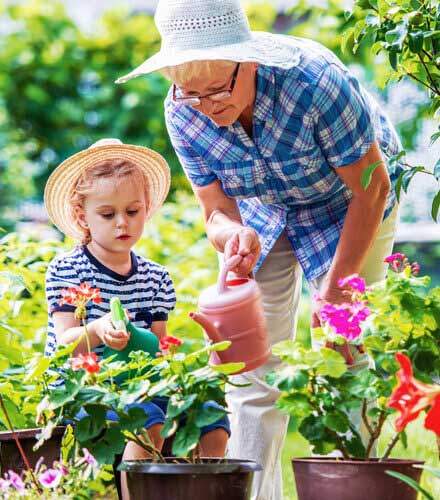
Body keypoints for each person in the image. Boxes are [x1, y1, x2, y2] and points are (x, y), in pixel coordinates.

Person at [116, 1, 403, 498]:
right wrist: (232, 236)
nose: (207, 106)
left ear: (247, 61)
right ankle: (255, 494)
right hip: (266, 208)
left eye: (217, 89)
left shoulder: (315, 84)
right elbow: (215, 212)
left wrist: (335, 292)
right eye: (191, 93)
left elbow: (370, 189)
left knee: (344, 348)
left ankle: (351, 485)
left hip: (351, 202)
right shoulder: (182, 112)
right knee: (246, 363)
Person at [43, 138, 230, 498]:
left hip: (141, 384)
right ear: (83, 216)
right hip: (85, 389)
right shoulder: (68, 269)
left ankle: (198, 490)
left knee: (211, 416)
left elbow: (159, 348)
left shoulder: (155, 277)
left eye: (132, 211)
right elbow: (64, 343)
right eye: (107, 214)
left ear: (147, 209)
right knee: (147, 420)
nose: (122, 223)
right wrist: (97, 330)